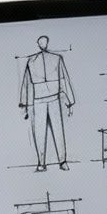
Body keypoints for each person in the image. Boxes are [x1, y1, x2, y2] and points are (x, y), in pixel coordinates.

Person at [18, 34, 73, 171]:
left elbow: (64, 79)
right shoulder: (31, 61)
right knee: (40, 132)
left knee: (57, 131)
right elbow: (26, 84)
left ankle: (60, 161)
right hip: (40, 101)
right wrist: (24, 104)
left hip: (52, 99)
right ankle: (43, 163)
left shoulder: (56, 59)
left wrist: (69, 101)